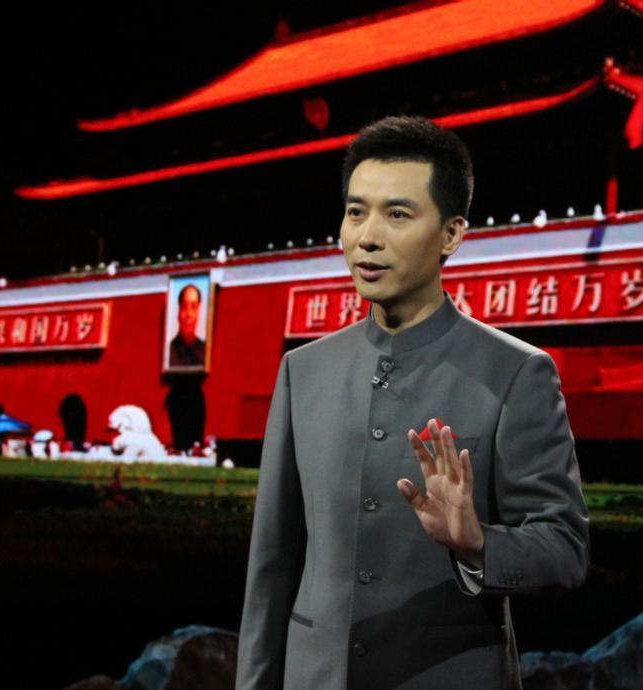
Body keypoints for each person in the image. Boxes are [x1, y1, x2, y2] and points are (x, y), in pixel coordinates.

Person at [236, 116, 590, 689]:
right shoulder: (304, 371)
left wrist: (478, 545)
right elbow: (272, 563)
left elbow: (566, 549)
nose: (367, 237)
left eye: (397, 215)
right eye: (356, 212)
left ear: (451, 234)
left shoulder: (516, 373)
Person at [168, 283, 207, 367]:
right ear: (178, 312)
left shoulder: (205, 351)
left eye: (193, 307)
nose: (189, 314)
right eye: (184, 307)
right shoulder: (169, 352)